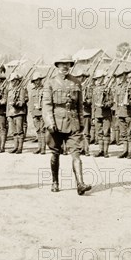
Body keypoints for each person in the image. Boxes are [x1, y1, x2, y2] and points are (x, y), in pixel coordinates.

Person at [42, 55, 92, 195]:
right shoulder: (50, 83)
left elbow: (80, 106)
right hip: (56, 123)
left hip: (73, 123)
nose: (65, 66)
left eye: (68, 64)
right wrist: (50, 122)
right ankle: (55, 181)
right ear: (57, 65)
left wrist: (81, 123)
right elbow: (46, 105)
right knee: (55, 153)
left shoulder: (76, 82)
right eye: (62, 64)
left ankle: (80, 184)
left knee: (76, 154)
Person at [115, 65, 131, 159]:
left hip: (129, 112)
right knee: (123, 133)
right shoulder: (118, 87)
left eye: (120, 76)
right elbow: (116, 101)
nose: (119, 78)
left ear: (124, 76)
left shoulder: (130, 87)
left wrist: (129, 102)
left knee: (129, 133)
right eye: (118, 76)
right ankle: (124, 151)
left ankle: (130, 152)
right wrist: (116, 112)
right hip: (120, 112)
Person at [92, 70, 113, 158]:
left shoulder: (107, 89)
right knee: (99, 133)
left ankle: (106, 151)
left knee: (106, 133)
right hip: (97, 114)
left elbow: (111, 101)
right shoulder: (95, 89)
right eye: (97, 78)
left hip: (106, 114)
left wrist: (105, 105)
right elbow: (93, 104)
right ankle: (100, 150)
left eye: (100, 78)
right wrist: (93, 116)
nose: (98, 80)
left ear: (103, 78)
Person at [6, 72, 28, 154]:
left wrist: (15, 104)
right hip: (11, 114)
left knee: (19, 131)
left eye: (13, 81)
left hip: (18, 113)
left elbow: (22, 102)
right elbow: (8, 104)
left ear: (16, 81)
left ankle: (20, 148)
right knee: (14, 132)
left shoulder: (21, 89)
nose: (12, 83)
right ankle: (15, 147)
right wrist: (7, 114)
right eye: (11, 81)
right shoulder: (10, 90)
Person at [30, 71, 47, 155]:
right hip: (35, 113)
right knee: (38, 131)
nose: (36, 82)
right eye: (35, 81)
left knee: (43, 131)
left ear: (40, 80)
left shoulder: (45, 90)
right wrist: (32, 114)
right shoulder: (32, 91)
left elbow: (47, 102)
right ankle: (39, 147)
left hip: (42, 113)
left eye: (38, 80)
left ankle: (43, 148)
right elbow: (31, 103)